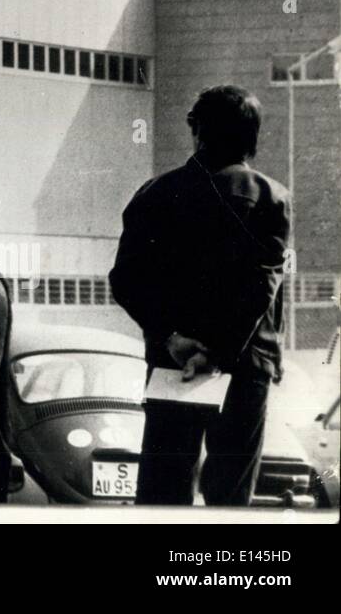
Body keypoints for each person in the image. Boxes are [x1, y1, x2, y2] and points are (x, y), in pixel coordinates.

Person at [109, 85, 290, 507]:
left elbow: (124, 280)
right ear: (253, 136)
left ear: (196, 131)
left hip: (173, 368)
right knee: (230, 499)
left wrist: (171, 337)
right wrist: (219, 352)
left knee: (162, 493)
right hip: (244, 368)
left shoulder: (154, 193)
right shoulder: (271, 198)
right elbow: (262, 286)